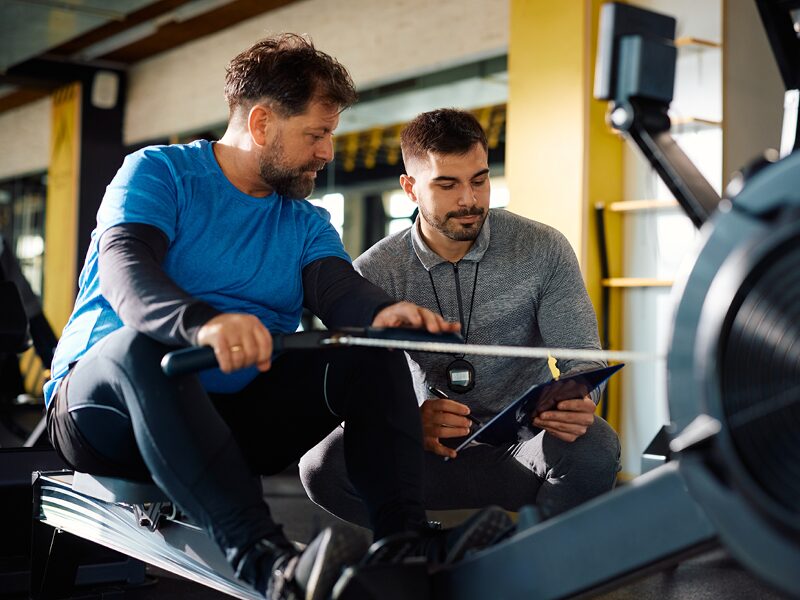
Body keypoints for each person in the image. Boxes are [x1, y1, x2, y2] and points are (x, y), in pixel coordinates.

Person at [43, 41, 511, 600]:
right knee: (138, 349)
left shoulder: (305, 221)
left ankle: (404, 542)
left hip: (236, 421)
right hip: (107, 415)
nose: (327, 152)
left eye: (331, 135)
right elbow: (126, 272)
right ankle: (263, 559)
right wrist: (201, 325)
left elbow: (339, 291)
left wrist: (385, 313)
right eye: (316, 134)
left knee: (368, 349)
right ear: (262, 123)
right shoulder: (159, 173)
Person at [300, 108, 621, 527]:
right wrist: (410, 417)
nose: (469, 200)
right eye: (447, 184)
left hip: (523, 448)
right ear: (410, 189)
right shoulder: (374, 272)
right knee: (323, 467)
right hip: (424, 453)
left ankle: (535, 557)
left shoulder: (543, 248)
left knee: (595, 443)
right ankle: (422, 546)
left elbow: (582, 355)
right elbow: (359, 390)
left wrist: (579, 399)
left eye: (480, 180)